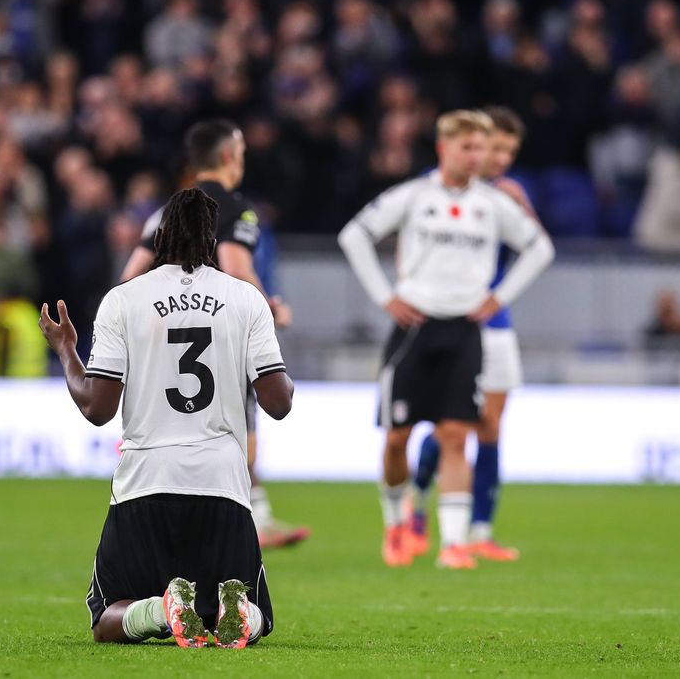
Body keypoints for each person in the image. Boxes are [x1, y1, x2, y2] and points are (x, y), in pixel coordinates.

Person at [39, 187, 293, 648]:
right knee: (259, 616)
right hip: (222, 485)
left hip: (145, 481)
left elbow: (97, 408)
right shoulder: (246, 299)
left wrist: (66, 351)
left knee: (106, 618)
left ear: (159, 237)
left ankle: (161, 608)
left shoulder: (123, 300)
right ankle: (234, 611)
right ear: (212, 240)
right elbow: (278, 403)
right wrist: (269, 355)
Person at [337, 110, 554, 569]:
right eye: (468, 147)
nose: (478, 157)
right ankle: (396, 522)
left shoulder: (493, 204)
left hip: (464, 329)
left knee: (456, 434)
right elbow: (354, 235)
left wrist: (498, 298)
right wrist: (385, 296)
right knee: (397, 438)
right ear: (444, 148)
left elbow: (541, 248)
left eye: (482, 148)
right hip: (414, 326)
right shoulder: (414, 196)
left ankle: (452, 545)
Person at [120, 118, 305, 549]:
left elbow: (130, 277)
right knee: (239, 430)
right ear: (228, 156)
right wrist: (270, 308)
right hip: (216, 335)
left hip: (164, 334)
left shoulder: (167, 210)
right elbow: (237, 268)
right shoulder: (237, 207)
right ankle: (242, 520)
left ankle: (252, 516)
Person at [408, 106, 549, 562]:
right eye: (495, 147)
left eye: (510, 150)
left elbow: (536, 247)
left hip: (496, 323)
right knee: (456, 423)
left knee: (489, 423)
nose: (502, 157)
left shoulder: (505, 197)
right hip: (451, 320)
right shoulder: (439, 192)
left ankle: (480, 528)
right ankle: (418, 497)